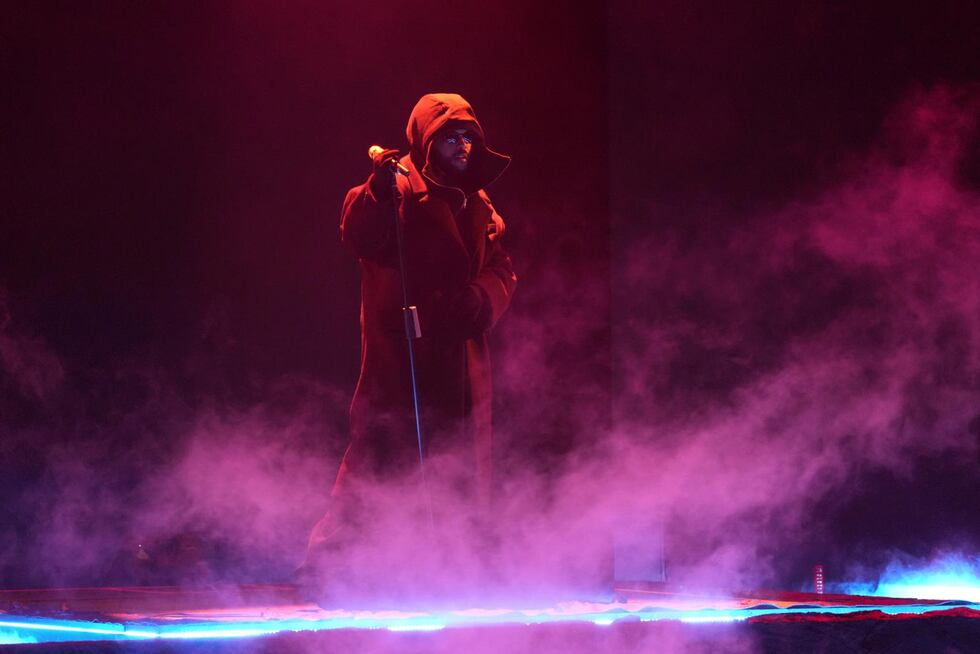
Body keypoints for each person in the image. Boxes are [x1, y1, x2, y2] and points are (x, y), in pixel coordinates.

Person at [302, 93, 517, 599]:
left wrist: (481, 297)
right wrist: (377, 191)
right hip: (404, 362)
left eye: (469, 136)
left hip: (461, 363)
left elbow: (502, 268)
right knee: (380, 464)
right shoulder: (394, 190)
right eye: (450, 136)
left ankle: (452, 574)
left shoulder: (480, 203)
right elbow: (358, 233)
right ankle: (332, 574)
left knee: (457, 470)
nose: (463, 146)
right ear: (426, 141)